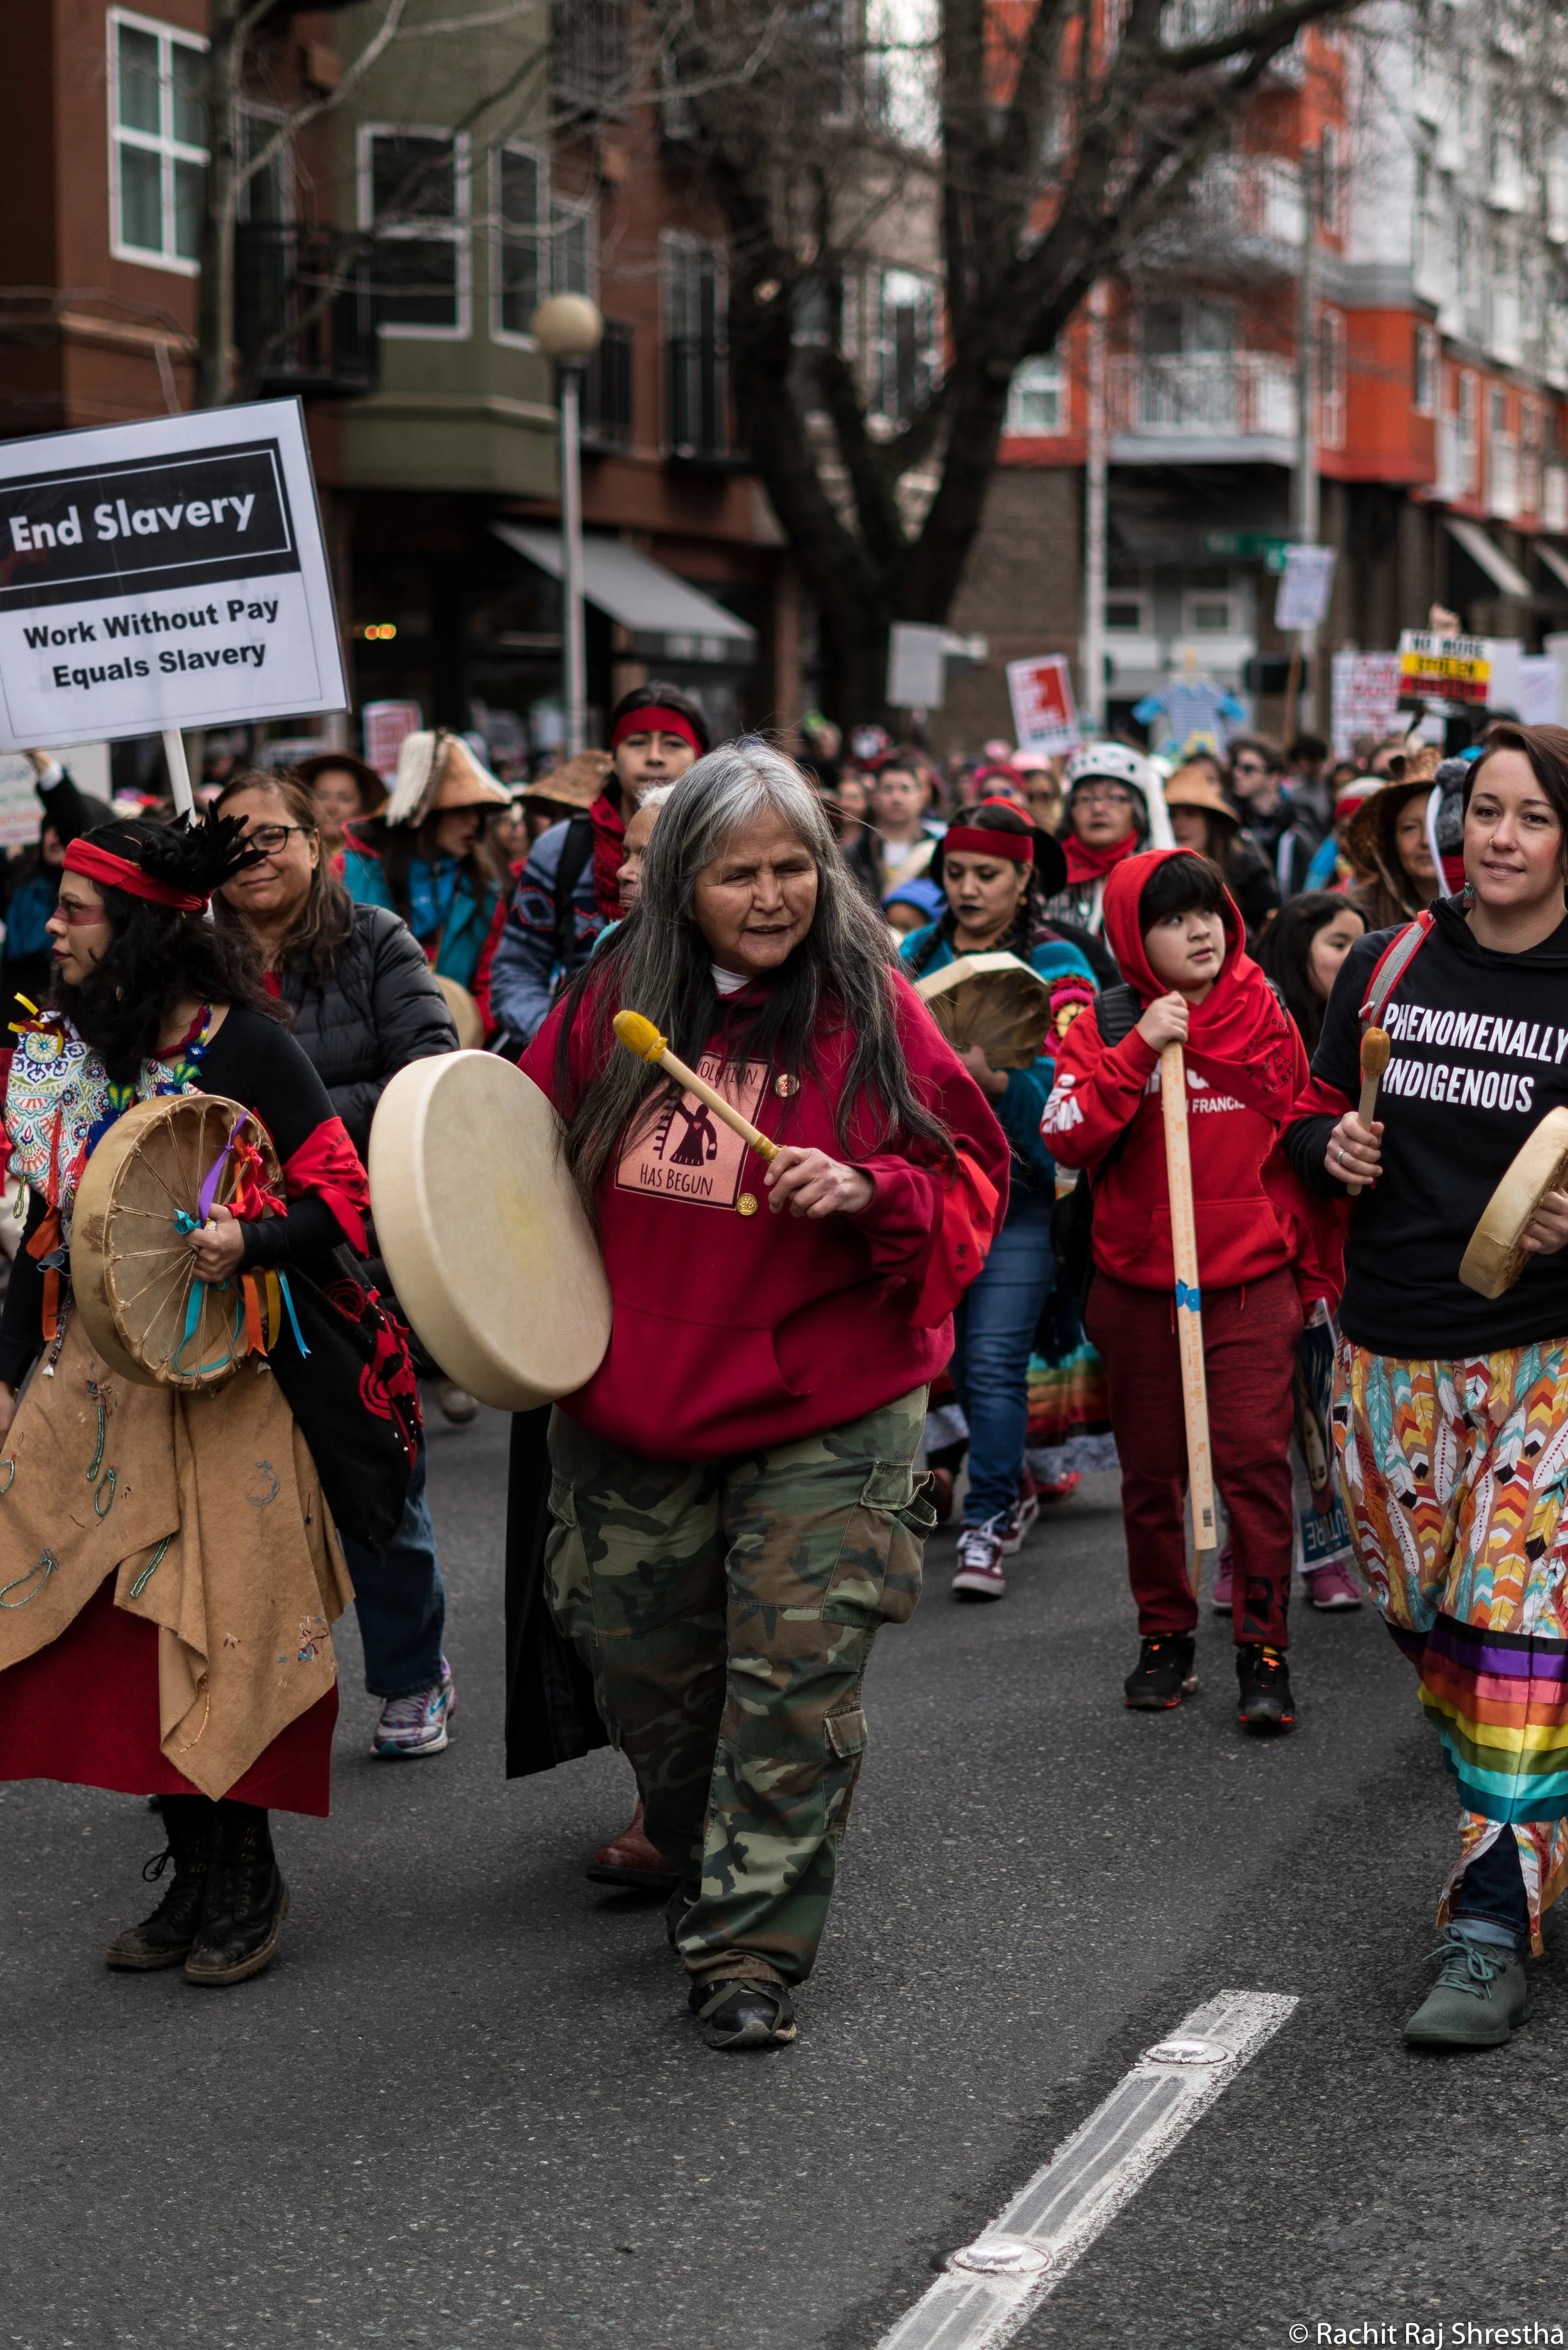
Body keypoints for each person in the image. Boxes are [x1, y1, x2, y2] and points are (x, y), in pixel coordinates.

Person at [516, 743, 1009, 2049]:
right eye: (739, 872)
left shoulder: (874, 1007)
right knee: (646, 1669)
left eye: (795, 865)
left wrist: (870, 1193)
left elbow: (970, 1178)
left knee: (790, 1686)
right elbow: (510, 1165)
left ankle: (748, 1950)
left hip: (827, 1409)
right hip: (633, 1404)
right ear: (682, 886)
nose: (773, 894)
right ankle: (697, 1838)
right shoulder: (613, 997)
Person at [0, 813, 396, 1986]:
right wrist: (4, 1367)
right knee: (119, 1641)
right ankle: (189, 1865)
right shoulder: (51, 1055)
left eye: (76, 911)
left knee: (224, 1629)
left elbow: (348, 1202)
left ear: (142, 936)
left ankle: (249, 1873)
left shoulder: (254, 1053)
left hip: (230, 1391)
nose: (53, 930)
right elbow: (34, 1231)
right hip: (93, 1395)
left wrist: (254, 1237)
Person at [1283, 721, 1568, 2048]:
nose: (1496, 839)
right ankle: (1532, 1792)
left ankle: (1483, 1926)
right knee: (1428, 1620)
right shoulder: (1395, 958)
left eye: (1529, 817)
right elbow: (1304, 1096)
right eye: (1484, 812)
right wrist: (1319, 1140)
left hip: (1544, 1362)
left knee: (1510, 1631)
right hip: (1387, 1350)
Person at [213, 769, 464, 1759]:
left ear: (316, 843)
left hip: (352, 1252)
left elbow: (425, 1072)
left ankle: (411, 1673)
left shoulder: (376, 939)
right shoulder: (195, 957)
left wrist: (289, 1129)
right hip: (227, 1256)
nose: (258, 856)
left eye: (273, 834)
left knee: (375, 1475)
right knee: (239, 1488)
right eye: (233, 841)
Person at [1044, 849, 1310, 1730]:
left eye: (1208, 911)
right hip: (1136, 1281)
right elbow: (1066, 1135)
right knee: (1152, 1476)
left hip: (1250, 1280)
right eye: (1172, 918)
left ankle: (1263, 1645)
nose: (1199, 930)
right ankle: (1166, 1634)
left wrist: (1309, 1264)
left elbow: (1300, 1126)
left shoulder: (1263, 1010)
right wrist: (1140, 1046)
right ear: (1132, 934)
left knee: (1253, 1464)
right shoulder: (1106, 1020)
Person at [900, 802, 1098, 1596]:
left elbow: (1072, 1087)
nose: (969, 888)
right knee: (932, 1365)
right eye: (955, 873)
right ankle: (1004, 1482)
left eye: (988, 874)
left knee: (991, 1362)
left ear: (1025, 881)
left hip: (1018, 1196)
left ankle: (982, 1523)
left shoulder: (1060, 965)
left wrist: (999, 1085)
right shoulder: (913, 952)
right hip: (928, 1191)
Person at [489, 686, 709, 1049]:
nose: (654, 757)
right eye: (637, 742)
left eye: (672, 743)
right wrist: (565, 1043)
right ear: (612, 757)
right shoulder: (561, 849)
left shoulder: (724, 848)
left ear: (700, 759)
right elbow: (516, 971)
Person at [342, 732, 510, 998]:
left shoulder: (485, 893)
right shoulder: (347, 873)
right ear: (425, 813)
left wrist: (464, 1032)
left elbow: (490, 986)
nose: (475, 822)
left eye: (478, 811)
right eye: (461, 809)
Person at [1040, 741, 1175, 951]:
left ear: (1138, 810)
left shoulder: (1162, 870)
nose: (1098, 808)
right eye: (1086, 799)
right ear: (1070, 810)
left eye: (1115, 797)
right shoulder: (1047, 871)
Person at [1164, 763, 1279, 939]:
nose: (1180, 824)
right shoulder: (1156, 875)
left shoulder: (1246, 869)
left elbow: (1270, 932)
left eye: (1191, 814)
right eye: (1172, 815)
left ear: (1211, 820)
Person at [1343, 753, 1443, 932]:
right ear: (1390, 839)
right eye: (1410, 828)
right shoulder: (1360, 911)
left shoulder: (1485, 908)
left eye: (1438, 825)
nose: (1426, 841)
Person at [842, 751, 946, 904]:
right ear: (875, 798)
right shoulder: (854, 854)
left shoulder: (938, 851)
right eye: (888, 789)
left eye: (905, 789)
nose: (896, 798)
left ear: (920, 798)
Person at [1227, 738, 1319, 897]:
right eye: (1236, 767)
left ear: (1274, 778)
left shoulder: (1301, 819)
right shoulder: (1231, 820)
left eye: (1249, 769)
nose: (1238, 774)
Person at [294, 750, 387, 861]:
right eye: (322, 797)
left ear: (364, 810)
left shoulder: (375, 864)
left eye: (345, 799)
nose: (331, 807)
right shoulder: (293, 858)